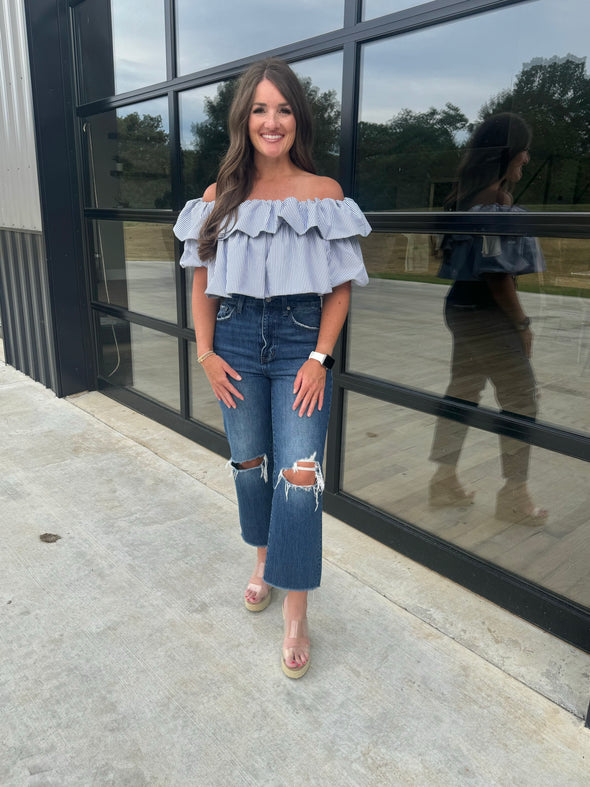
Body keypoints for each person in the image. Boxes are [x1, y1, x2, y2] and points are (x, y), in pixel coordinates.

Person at [173, 58, 370, 678]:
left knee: (300, 473)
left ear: (298, 119)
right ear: (243, 119)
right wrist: (205, 353)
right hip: (232, 340)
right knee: (250, 462)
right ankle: (262, 560)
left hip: (298, 343)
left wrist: (318, 358)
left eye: (283, 108)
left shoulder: (324, 194)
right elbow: (203, 281)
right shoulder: (218, 198)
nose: (272, 121)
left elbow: (338, 288)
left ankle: (296, 609)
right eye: (260, 109)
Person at [429, 112, 547, 526]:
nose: (527, 158)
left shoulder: (465, 196)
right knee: (521, 400)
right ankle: (514, 495)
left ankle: (444, 480)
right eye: (523, 150)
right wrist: (521, 323)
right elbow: (497, 273)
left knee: (462, 392)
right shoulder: (493, 203)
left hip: (460, 306)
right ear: (508, 154)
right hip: (488, 312)